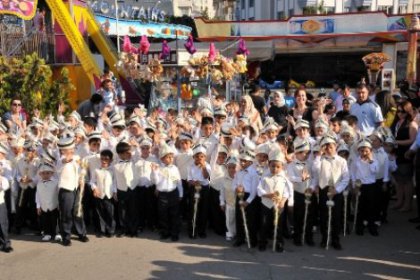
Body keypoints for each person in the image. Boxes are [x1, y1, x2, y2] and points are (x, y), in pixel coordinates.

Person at [312, 134, 350, 250]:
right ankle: (325, 238)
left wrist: (337, 190)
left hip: (336, 191)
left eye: (331, 147)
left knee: (336, 216)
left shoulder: (342, 161)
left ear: (336, 146)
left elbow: (346, 178)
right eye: (326, 147)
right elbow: (315, 171)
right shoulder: (320, 160)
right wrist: (319, 155)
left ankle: (335, 239)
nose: (328, 149)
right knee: (324, 215)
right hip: (324, 189)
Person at [56, 134, 88, 246]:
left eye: (72, 149)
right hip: (66, 189)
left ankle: (81, 233)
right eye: (69, 150)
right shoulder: (60, 160)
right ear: (63, 151)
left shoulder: (77, 158)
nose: (72, 151)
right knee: (66, 213)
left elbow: (82, 169)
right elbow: (59, 168)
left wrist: (82, 176)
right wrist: (67, 159)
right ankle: (66, 236)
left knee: (78, 211)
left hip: (76, 188)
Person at [257, 149, 290, 252]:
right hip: (266, 205)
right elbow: (259, 190)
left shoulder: (283, 178)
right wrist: (267, 195)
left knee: (278, 225)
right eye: (273, 166)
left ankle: (278, 243)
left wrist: (283, 202)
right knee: (264, 224)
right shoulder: (264, 177)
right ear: (269, 165)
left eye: (278, 167)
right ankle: (263, 242)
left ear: (282, 167)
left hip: (278, 205)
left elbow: (286, 192)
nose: (275, 169)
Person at [151, 143, 183, 241]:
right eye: (168, 157)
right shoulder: (159, 169)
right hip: (163, 195)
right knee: (163, 215)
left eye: (171, 157)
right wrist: (154, 172)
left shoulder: (175, 168)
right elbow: (156, 182)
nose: (170, 159)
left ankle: (174, 233)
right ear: (162, 159)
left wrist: (180, 194)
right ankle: (165, 232)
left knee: (174, 214)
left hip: (173, 193)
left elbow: (178, 182)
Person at [390, 101, 418, 212]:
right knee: (398, 179)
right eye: (398, 111)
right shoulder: (397, 123)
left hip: (406, 154)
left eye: (402, 112)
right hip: (396, 154)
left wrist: (396, 142)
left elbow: (413, 141)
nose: (399, 114)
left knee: (406, 180)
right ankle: (399, 202)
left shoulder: (412, 124)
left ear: (407, 112)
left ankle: (407, 204)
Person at [113, 141, 138, 237]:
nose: (127, 154)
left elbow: (137, 155)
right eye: (124, 153)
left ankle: (133, 230)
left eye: (128, 152)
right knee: (122, 211)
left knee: (133, 210)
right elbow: (114, 179)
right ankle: (124, 229)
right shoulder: (116, 165)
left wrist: (133, 148)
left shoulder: (133, 161)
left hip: (132, 189)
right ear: (119, 154)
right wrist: (115, 191)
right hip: (121, 190)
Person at [90, 149, 117, 238]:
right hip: (99, 194)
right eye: (102, 159)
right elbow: (92, 181)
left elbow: (114, 182)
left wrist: (114, 192)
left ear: (111, 160)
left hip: (109, 195)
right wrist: (94, 189)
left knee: (110, 213)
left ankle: (110, 230)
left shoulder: (113, 170)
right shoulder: (96, 170)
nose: (104, 161)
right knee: (99, 213)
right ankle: (101, 230)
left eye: (106, 159)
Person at [187, 144, 211, 238]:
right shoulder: (190, 166)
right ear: (193, 157)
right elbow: (188, 180)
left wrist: (203, 166)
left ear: (205, 157)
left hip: (204, 189)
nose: (199, 158)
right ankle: (192, 230)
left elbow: (206, 177)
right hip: (194, 188)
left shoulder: (207, 165)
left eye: (202, 156)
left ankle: (202, 230)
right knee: (193, 210)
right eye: (197, 156)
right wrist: (193, 183)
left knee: (203, 210)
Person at [36, 163, 61, 242]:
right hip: (44, 205)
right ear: (40, 174)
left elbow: (59, 193)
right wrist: (38, 206)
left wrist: (60, 204)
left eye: (48, 173)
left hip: (54, 204)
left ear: (52, 173)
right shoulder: (39, 184)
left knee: (56, 220)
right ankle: (48, 233)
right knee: (46, 220)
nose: (45, 175)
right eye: (43, 173)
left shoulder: (56, 182)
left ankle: (58, 233)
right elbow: (37, 195)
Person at [218, 156, 238, 241]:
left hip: (238, 203)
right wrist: (222, 202)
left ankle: (238, 233)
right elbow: (222, 192)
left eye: (234, 167)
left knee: (238, 219)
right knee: (229, 219)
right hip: (229, 203)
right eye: (230, 167)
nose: (232, 170)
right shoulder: (223, 179)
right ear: (227, 168)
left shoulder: (239, 179)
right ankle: (230, 233)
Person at [0, 163, 12, 253]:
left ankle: (6, 244)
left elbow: (5, 187)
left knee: (2, 224)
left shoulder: (3, 179)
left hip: (0, 203)